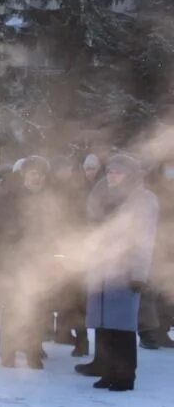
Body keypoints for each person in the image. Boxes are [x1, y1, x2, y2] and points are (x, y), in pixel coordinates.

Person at [75, 153, 158, 391]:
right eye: (110, 171)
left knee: (122, 327)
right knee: (104, 325)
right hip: (101, 267)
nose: (112, 176)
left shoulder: (143, 200)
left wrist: (139, 274)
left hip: (125, 269)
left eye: (118, 172)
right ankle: (108, 370)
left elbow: (145, 240)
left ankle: (125, 376)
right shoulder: (100, 196)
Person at [0, 156, 57, 368]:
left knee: (37, 309)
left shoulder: (50, 200)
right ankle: (8, 351)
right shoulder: (11, 198)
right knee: (12, 307)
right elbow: (0, 228)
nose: (36, 178)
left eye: (39, 174)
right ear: (24, 175)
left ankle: (33, 352)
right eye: (32, 173)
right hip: (15, 260)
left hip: (40, 261)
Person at [140, 159, 174, 348]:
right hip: (153, 240)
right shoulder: (151, 180)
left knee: (168, 289)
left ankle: (162, 331)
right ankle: (147, 333)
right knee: (150, 289)